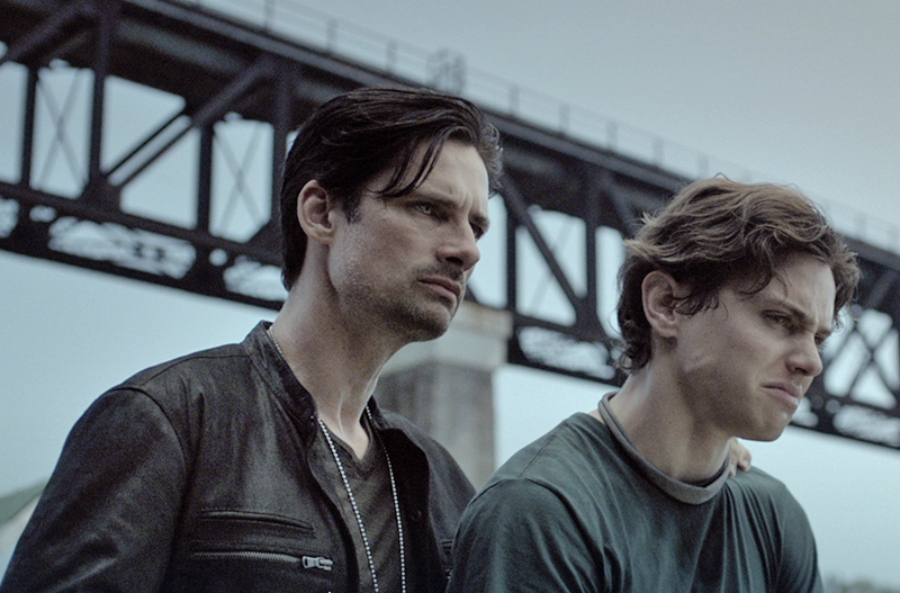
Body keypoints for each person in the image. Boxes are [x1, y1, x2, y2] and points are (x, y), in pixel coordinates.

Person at [0, 87, 502, 592]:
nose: (467, 250)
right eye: (428, 209)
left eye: (476, 227)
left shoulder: (441, 479)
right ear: (321, 213)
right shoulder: (167, 421)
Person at [447, 178, 860, 593]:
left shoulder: (775, 518)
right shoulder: (540, 510)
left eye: (819, 338)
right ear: (666, 304)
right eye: (780, 319)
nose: (812, 362)